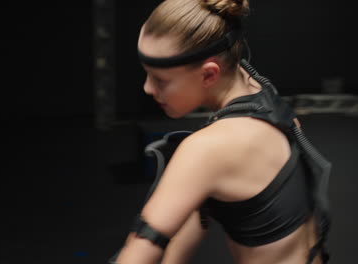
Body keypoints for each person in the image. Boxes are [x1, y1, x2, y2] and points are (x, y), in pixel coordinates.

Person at [110, 0, 331, 263]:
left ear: (208, 75)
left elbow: (140, 250)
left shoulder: (209, 148)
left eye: (160, 80)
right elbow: (198, 206)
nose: (148, 88)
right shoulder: (260, 94)